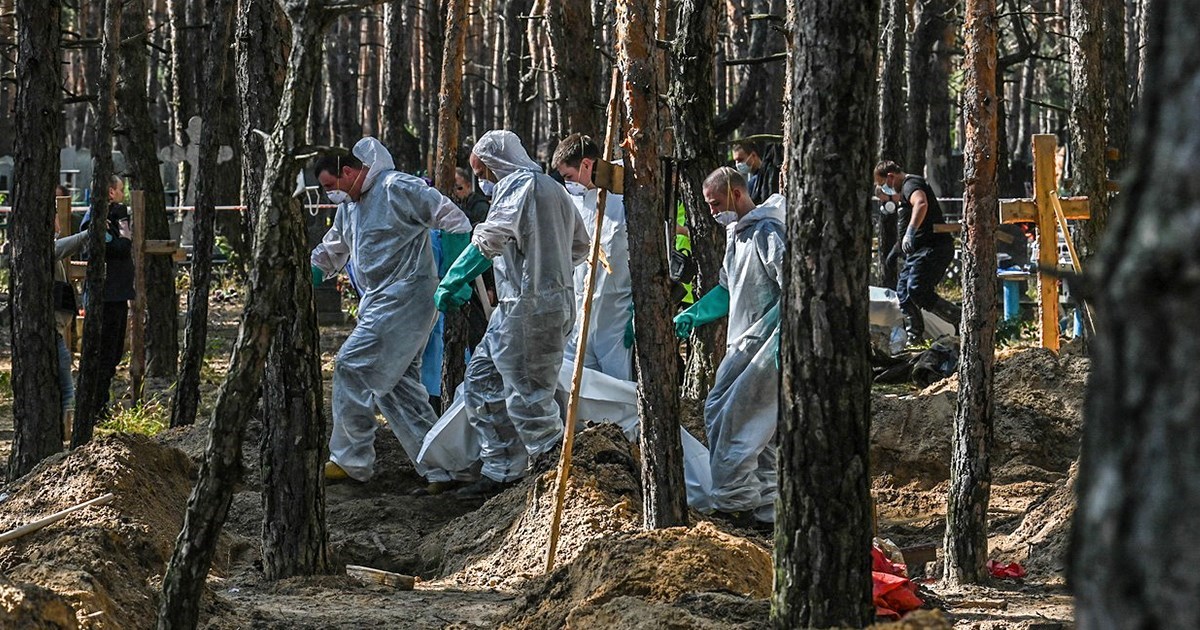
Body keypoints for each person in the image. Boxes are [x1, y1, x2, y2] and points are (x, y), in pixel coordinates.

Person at [310, 137, 473, 491]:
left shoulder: (397, 187)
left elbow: (455, 220)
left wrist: (456, 274)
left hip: (407, 296)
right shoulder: (350, 207)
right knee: (396, 388)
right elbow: (333, 251)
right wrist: (305, 273)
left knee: (352, 365)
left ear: (350, 171)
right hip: (379, 300)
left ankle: (350, 460)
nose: (329, 195)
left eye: (329, 186)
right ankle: (445, 468)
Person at [434, 129, 589, 497]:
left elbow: (489, 238)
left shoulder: (521, 187)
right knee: (482, 378)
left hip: (530, 309)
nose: (483, 182)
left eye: (484, 172)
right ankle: (503, 468)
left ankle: (555, 477)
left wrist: (454, 279)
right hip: (527, 304)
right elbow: (580, 245)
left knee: (528, 394)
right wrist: (550, 270)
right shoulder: (555, 189)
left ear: (496, 163)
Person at [673, 167, 784, 530]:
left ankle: (736, 504)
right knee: (760, 432)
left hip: (765, 346)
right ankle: (767, 509)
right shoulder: (737, 236)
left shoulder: (768, 233)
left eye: (716, 203)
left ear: (737, 193)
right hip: (745, 343)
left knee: (731, 420)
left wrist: (784, 340)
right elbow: (727, 289)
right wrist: (695, 313)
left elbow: (795, 287)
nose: (712, 212)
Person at [551, 133, 634, 381]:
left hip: (617, 309)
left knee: (618, 384)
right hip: (581, 308)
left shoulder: (624, 192)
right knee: (580, 379)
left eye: (569, 176)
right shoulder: (574, 201)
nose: (568, 183)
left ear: (587, 164)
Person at [874, 160, 961, 344]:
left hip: (933, 247)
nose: (885, 188)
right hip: (919, 251)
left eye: (883, 184)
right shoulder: (905, 190)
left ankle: (959, 318)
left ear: (891, 176)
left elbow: (920, 203)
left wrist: (911, 232)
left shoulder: (911, 184)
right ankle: (915, 338)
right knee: (903, 294)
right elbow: (906, 205)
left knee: (917, 288)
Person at [78, 175, 134, 420]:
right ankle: (95, 406)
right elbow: (115, 247)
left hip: (118, 295)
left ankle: (101, 404)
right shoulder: (95, 217)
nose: (123, 194)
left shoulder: (116, 215)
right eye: (121, 190)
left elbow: (124, 244)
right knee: (101, 354)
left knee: (113, 354)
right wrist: (119, 226)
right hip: (104, 297)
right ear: (111, 192)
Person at [54, 186, 87, 441]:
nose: (57, 220)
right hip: (52, 331)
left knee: (65, 385)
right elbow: (67, 246)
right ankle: (63, 431)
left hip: (57, 328)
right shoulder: (46, 248)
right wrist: (89, 234)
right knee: (66, 389)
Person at [731, 140, 780, 205]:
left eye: (740, 160)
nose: (737, 164)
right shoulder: (748, 180)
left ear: (753, 155)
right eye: (736, 161)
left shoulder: (767, 175)